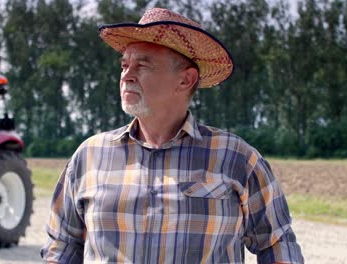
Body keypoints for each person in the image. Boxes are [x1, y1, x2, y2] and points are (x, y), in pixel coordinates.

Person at [41, 8, 304, 264]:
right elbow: (62, 245)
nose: (127, 76)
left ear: (185, 80)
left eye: (142, 65)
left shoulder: (237, 159)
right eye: (124, 66)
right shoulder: (89, 156)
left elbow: (277, 244)